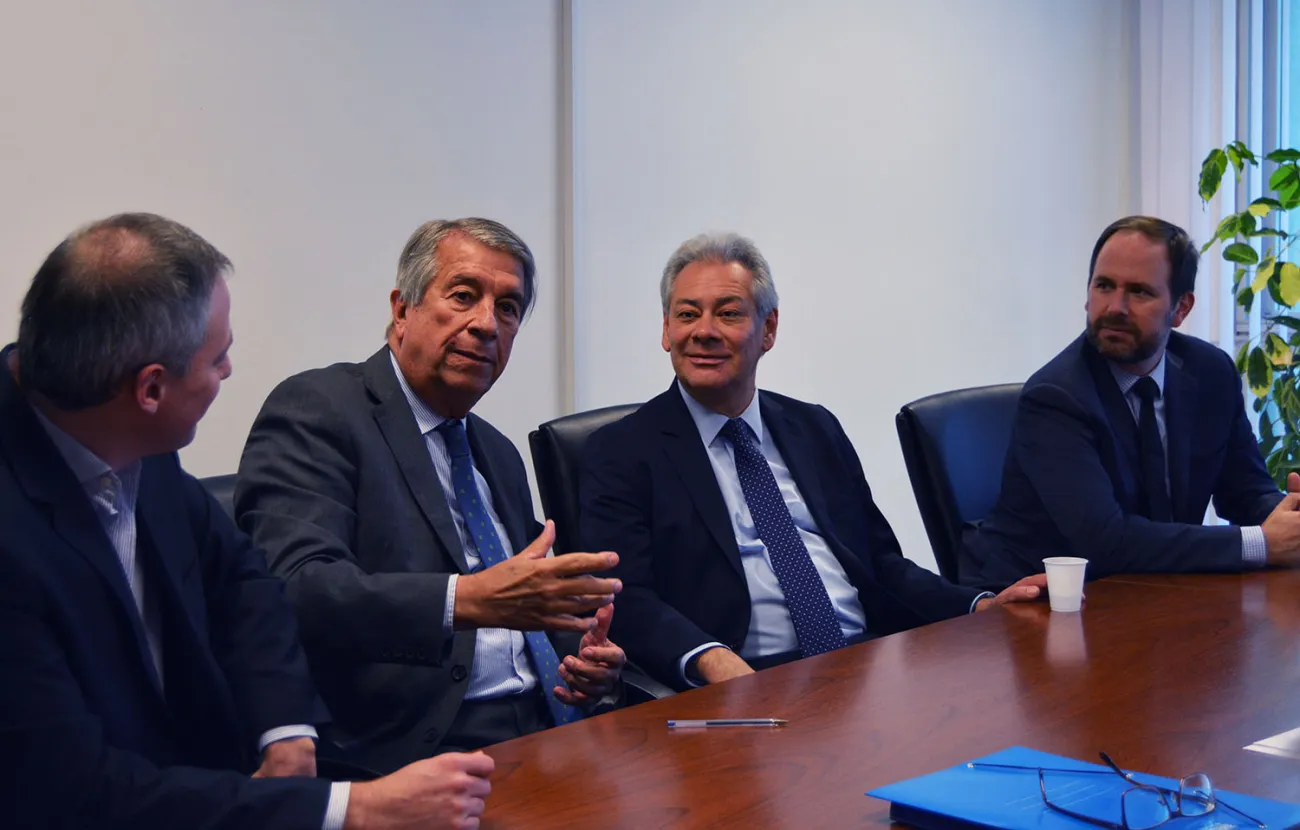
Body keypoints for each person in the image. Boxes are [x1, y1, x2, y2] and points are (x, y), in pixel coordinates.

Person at [0, 213, 494, 829]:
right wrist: (352, 809)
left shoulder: (117, 424)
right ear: (150, 390)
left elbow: (242, 581)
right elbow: (76, 791)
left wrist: (285, 726)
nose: (229, 371)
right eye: (218, 358)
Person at [236, 217, 626, 775]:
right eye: (463, 296)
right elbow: (297, 588)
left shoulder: (497, 451)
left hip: (556, 730)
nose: (486, 324)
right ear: (403, 310)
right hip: (420, 748)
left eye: (508, 308)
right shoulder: (320, 410)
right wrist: (464, 600)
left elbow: (524, 602)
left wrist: (582, 661)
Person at [578, 232, 1045, 691]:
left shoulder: (814, 428)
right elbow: (626, 597)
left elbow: (881, 566)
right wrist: (712, 659)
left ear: (769, 329)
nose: (704, 331)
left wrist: (979, 606)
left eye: (728, 313)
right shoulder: (620, 452)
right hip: (746, 679)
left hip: (865, 667)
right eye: (686, 314)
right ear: (666, 331)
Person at [964, 215, 1300, 589]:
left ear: (1181, 309)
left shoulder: (1210, 373)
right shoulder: (1055, 397)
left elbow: (1245, 490)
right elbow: (1107, 542)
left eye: (1139, 292)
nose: (1115, 307)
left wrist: (1288, 516)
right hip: (1042, 603)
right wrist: (1261, 543)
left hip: (1157, 592)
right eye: (1104, 286)